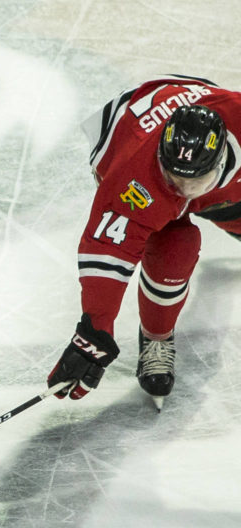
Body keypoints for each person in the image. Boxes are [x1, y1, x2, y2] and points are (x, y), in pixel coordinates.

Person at [48, 74, 241, 410]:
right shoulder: (136, 177)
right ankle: (156, 337)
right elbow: (108, 250)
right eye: (174, 179)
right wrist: (95, 329)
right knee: (174, 245)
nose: (182, 193)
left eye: (194, 183)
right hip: (128, 135)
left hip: (207, 132)